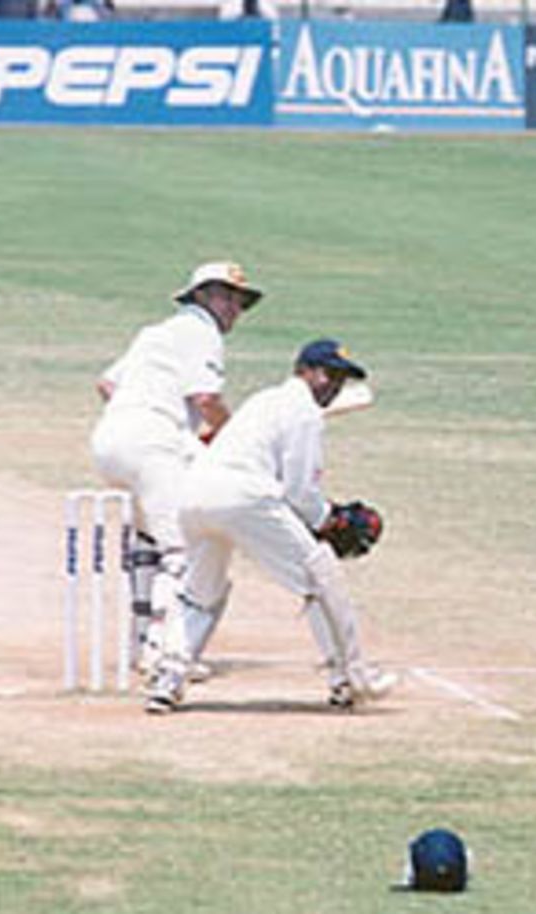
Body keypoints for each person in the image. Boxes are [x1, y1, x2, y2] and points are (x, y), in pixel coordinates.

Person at [144, 338, 398, 714]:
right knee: (320, 575)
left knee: (200, 592)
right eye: (329, 374)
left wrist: (317, 515)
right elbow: (299, 492)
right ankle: (352, 678)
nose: (333, 386)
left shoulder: (265, 400)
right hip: (244, 496)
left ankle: (169, 677)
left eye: (341, 379)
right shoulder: (305, 412)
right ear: (304, 371)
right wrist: (330, 519)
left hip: (195, 494)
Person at [90, 261, 262, 673]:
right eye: (226, 296)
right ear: (201, 296)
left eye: (239, 300)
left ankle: (142, 645)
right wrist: (238, 437)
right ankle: (164, 653)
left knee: (150, 542)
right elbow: (207, 399)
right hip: (154, 444)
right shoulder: (201, 332)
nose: (234, 307)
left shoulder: (157, 333)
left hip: (109, 440)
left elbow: (106, 384)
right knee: (184, 549)